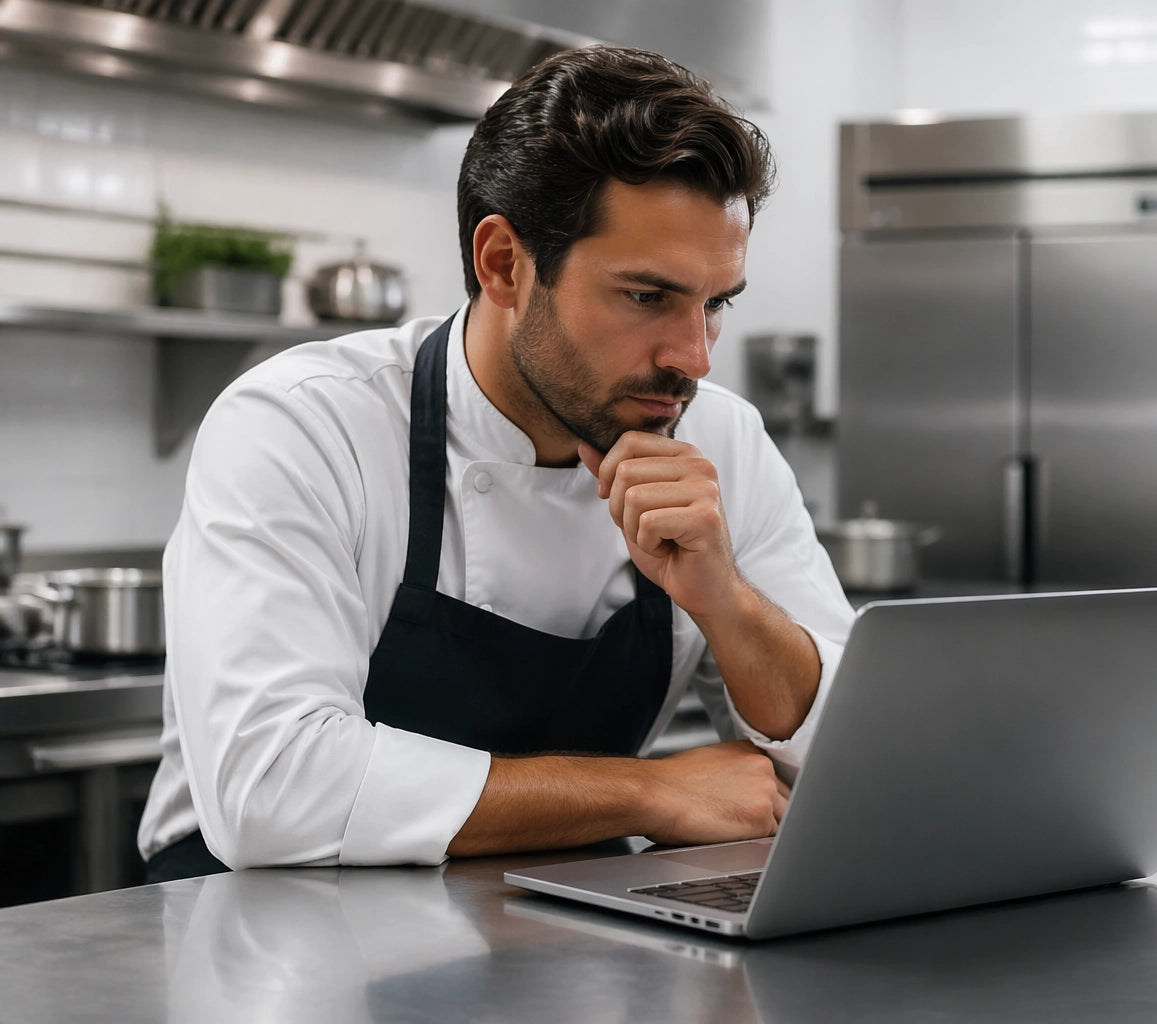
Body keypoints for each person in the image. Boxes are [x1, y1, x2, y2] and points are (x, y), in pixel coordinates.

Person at [137, 44, 854, 882]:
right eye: (647, 297)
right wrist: (645, 794)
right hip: (266, 945)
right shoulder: (304, 425)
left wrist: (725, 603)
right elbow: (270, 791)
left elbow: (851, 756)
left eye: (716, 305)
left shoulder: (721, 442)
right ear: (504, 263)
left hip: (552, 935)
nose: (693, 358)